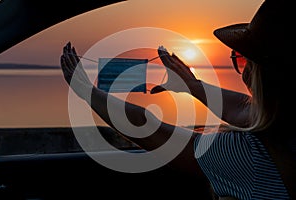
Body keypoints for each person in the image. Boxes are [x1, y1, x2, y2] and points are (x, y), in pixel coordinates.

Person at [60, 0, 295, 199]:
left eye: (246, 61)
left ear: (263, 76)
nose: (243, 73)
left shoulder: (249, 157)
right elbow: (248, 111)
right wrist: (193, 86)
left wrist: (87, 92)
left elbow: (150, 128)